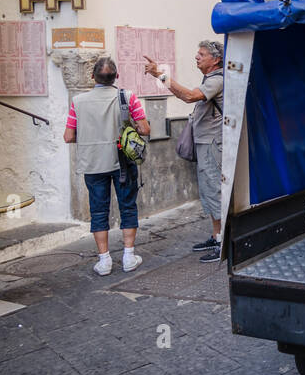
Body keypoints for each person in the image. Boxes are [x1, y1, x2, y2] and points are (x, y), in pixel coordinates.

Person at [64, 56, 151, 275]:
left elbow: (68, 136)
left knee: (98, 211)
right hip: (121, 161)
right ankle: (129, 256)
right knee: (128, 206)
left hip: (92, 163)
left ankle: (104, 261)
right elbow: (145, 129)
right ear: (116, 77)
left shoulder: (78, 102)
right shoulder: (127, 97)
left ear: (92, 76)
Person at [146, 41, 224, 262]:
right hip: (206, 143)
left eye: (202, 54)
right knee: (208, 192)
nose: (196, 57)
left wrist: (160, 75)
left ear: (215, 59)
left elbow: (189, 96)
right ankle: (216, 234)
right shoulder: (210, 79)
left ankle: (223, 242)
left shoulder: (217, 80)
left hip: (212, 144)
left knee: (215, 190)